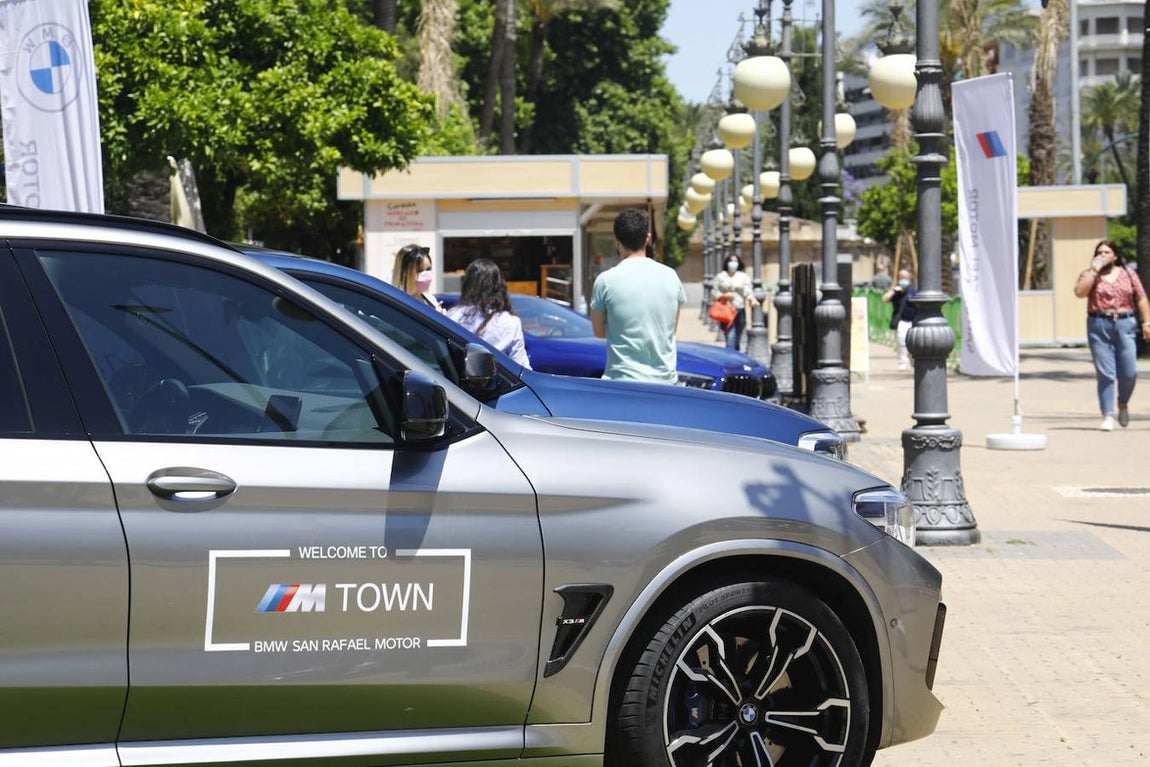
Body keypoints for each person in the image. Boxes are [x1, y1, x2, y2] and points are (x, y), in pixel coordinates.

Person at [589, 208, 686, 384]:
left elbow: (598, 331)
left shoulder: (605, 281)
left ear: (617, 241)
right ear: (647, 238)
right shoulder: (671, 276)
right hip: (665, 384)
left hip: (622, 382)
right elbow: (671, 329)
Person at [1073, 240, 1150, 431]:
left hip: (1125, 323)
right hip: (1099, 324)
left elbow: (1140, 297)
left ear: (1115, 256)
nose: (1102, 255)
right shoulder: (1089, 275)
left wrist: (1146, 322)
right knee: (1105, 373)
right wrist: (1093, 271)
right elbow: (1080, 293)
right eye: (1099, 252)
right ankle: (1108, 414)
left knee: (1129, 372)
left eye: (1107, 252)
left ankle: (1122, 403)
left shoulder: (1128, 274)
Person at [446, 258, 531, 368]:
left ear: (467, 283)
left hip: (454, 383)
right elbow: (521, 365)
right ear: (498, 285)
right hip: (498, 382)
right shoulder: (510, 322)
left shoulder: (453, 315)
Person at [710, 253, 759, 350]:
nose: (733, 263)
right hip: (726, 311)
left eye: (735, 261)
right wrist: (724, 295)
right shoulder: (721, 277)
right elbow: (714, 293)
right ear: (727, 263)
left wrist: (752, 299)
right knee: (730, 337)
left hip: (739, 310)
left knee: (737, 338)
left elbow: (747, 290)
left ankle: (735, 357)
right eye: (731, 261)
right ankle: (730, 360)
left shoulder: (743, 276)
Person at [391, 243, 443, 311]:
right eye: (419, 271)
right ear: (404, 273)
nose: (426, 274)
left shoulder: (431, 299)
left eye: (428, 269)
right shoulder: (395, 303)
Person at [883, 268, 917, 371]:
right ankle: (903, 362)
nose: (903, 279)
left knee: (913, 343)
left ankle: (913, 361)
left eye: (905, 277)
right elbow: (884, 299)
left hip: (913, 320)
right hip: (902, 321)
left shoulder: (914, 290)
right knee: (901, 341)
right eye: (901, 277)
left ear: (910, 278)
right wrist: (893, 290)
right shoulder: (896, 291)